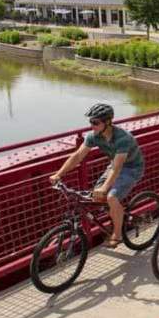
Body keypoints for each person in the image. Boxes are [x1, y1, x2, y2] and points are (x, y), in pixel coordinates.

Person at [49, 103, 144, 248]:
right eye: (90, 122)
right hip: (114, 166)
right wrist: (59, 174)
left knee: (111, 197)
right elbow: (78, 155)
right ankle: (118, 213)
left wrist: (105, 187)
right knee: (96, 196)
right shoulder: (94, 136)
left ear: (107, 122)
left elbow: (118, 167)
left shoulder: (122, 138)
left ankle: (117, 235)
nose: (92, 126)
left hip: (131, 168)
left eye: (95, 122)